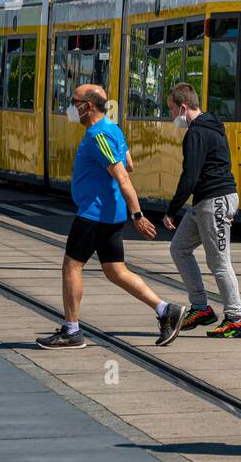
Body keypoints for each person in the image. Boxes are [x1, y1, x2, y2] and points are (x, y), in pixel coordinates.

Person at [36, 85, 182, 350]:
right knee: (116, 271)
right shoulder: (113, 129)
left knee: (72, 266)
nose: (71, 107)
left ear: (88, 106)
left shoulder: (98, 135)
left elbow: (123, 175)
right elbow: (129, 163)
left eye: (74, 101)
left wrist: (137, 214)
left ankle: (72, 330)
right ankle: (165, 310)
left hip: (95, 213)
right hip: (109, 214)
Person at [161, 83, 241, 338]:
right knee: (179, 248)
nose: (170, 115)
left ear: (183, 107)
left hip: (216, 202)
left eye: (171, 109)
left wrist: (171, 210)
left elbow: (189, 177)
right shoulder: (209, 126)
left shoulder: (197, 134)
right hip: (204, 203)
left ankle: (236, 319)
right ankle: (201, 307)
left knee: (219, 263)